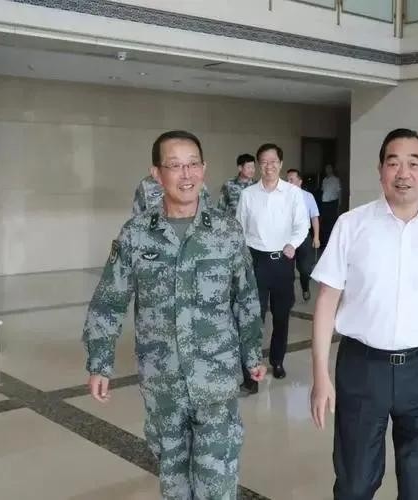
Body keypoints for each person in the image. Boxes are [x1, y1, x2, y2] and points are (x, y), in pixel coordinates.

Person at [83, 130, 266, 500]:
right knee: (174, 481)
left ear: (204, 169)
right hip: (162, 381)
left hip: (215, 377)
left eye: (193, 164)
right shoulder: (137, 235)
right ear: (156, 174)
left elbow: (245, 297)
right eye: (175, 166)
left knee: (217, 481)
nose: (186, 175)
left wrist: (252, 353)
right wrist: (100, 362)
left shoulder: (226, 231)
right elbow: (109, 300)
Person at [310, 128, 418, 500]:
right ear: (380, 170)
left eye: (413, 164)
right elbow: (326, 301)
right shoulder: (352, 225)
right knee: (355, 482)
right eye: (393, 163)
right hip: (362, 368)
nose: (403, 173)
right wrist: (320, 374)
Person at [236, 143, 309, 390]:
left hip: (282, 261)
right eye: (264, 162)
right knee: (252, 317)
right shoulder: (248, 195)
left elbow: (302, 225)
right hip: (256, 261)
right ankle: (251, 368)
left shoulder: (293, 193)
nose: (269, 166)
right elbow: (239, 227)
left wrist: (293, 244)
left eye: (273, 161)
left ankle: (277, 361)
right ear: (259, 165)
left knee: (281, 315)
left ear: (280, 163)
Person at [286, 168, 320, 301]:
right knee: (287, 269)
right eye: (287, 180)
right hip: (287, 237)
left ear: (300, 181)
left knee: (305, 269)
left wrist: (316, 237)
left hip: (304, 236)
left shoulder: (308, 196)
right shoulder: (282, 196)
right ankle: (288, 296)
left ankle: (305, 288)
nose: (288, 182)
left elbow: (314, 217)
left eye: (291, 180)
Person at [320, 164, 341, 247]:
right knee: (324, 223)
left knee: (332, 223)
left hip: (332, 203)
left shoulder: (336, 179)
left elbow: (339, 192)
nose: (327, 170)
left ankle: (331, 243)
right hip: (324, 203)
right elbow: (323, 190)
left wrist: (339, 204)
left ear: (332, 169)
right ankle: (324, 242)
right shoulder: (324, 180)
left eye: (329, 168)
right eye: (326, 168)